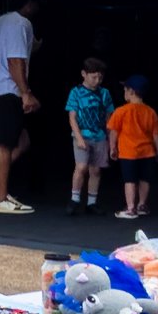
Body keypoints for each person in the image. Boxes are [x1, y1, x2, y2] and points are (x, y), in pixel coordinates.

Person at [0, 0, 42, 215]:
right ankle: (1, 198)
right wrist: (26, 93)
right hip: (5, 88)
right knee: (4, 144)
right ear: (30, 4)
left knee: (14, 141)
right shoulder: (20, 23)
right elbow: (15, 59)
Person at [108, 74, 158, 219]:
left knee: (130, 180)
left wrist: (112, 147)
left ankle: (131, 208)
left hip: (128, 153)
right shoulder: (150, 112)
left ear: (131, 91)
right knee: (145, 179)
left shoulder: (121, 111)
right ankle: (142, 205)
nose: (124, 93)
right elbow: (156, 134)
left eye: (125, 90)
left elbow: (114, 131)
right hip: (148, 152)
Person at [65, 57, 114, 215]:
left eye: (100, 77)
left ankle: (91, 202)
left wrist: (110, 140)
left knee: (96, 170)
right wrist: (79, 137)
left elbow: (109, 118)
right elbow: (72, 117)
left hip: (99, 136)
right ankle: (74, 198)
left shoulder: (104, 93)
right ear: (84, 74)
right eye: (94, 77)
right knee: (81, 167)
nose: (97, 81)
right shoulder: (76, 92)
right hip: (82, 135)